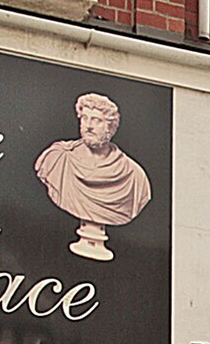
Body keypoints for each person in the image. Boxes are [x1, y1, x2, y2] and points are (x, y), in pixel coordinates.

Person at [34, 92, 152, 261]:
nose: (88, 126)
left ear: (110, 127)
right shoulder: (58, 157)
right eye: (84, 118)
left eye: (96, 120)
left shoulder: (134, 176)